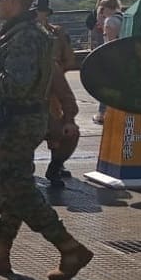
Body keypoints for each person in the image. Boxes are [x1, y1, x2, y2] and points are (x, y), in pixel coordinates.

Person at [0, 0, 92, 280]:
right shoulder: (25, 32)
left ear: (14, 2)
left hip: (21, 119)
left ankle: (69, 246)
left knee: (20, 189)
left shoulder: (23, 37)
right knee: (8, 185)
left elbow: (17, 86)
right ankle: (0, 252)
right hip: (24, 118)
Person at [44, 57, 81, 188]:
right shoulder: (4, 58)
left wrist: (69, 120)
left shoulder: (48, 64)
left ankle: (55, 167)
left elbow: (66, 96)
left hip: (42, 117)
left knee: (71, 133)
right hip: (15, 119)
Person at [92, 0, 123, 123]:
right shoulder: (123, 18)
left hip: (112, 58)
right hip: (124, 56)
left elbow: (110, 43)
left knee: (105, 86)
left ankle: (102, 114)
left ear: (105, 8)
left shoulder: (109, 21)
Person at [34, 0, 76, 71]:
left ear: (47, 13)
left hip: (54, 69)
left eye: (42, 11)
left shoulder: (57, 31)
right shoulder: (28, 32)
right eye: (38, 11)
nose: (39, 14)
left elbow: (69, 57)